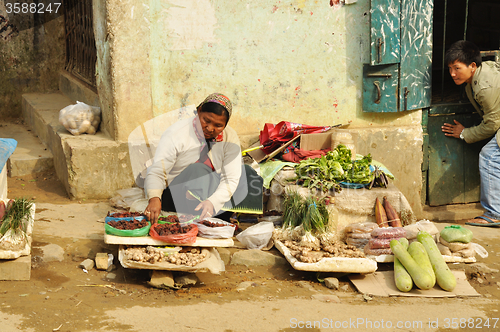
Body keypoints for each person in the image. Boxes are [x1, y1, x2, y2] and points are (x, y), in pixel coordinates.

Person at [143, 93, 263, 223]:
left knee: (247, 172)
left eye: (218, 125)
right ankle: (200, 218)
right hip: (176, 196)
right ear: (199, 111)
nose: (210, 128)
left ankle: (222, 218)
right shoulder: (176, 134)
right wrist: (154, 198)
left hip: (210, 196)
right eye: (206, 120)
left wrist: (213, 201)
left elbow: (231, 178)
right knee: (199, 170)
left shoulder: (230, 138)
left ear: (225, 125)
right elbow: (157, 172)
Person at [441, 40, 500, 226]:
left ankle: (494, 214)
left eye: (457, 68)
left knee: (490, 157)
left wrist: (465, 133)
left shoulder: (484, 87)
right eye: (450, 68)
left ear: (472, 66)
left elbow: (492, 124)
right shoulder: (479, 76)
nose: (452, 73)